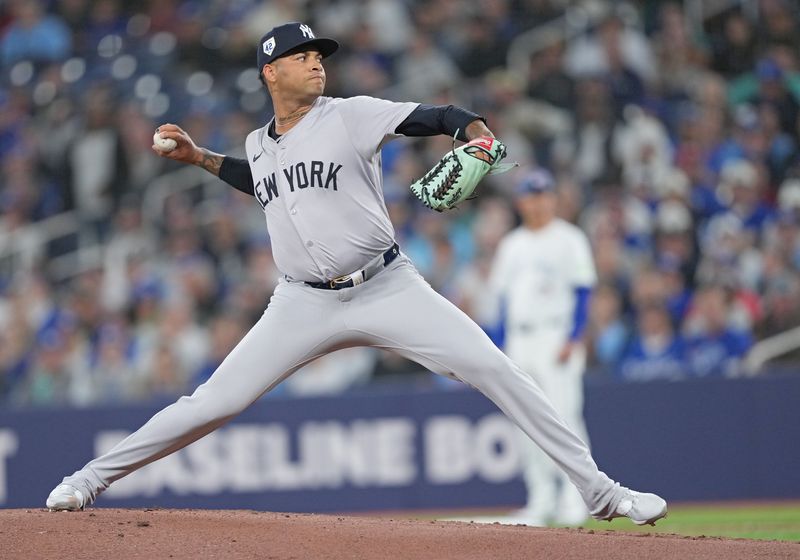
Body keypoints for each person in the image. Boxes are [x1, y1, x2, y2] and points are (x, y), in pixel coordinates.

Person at [46, 22, 667, 526]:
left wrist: (476, 136)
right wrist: (201, 158)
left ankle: (603, 494)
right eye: (300, 55)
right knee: (214, 401)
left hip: (387, 286)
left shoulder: (350, 114)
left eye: (319, 53)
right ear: (271, 72)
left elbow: (441, 114)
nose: (316, 62)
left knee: (496, 369)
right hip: (300, 304)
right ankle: (88, 479)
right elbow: (258, 181)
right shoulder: (259, 144)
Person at [488, 169, 596, 526]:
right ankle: (540, 499)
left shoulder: (569, 238)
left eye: (543, 194)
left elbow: (583, 291)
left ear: (553, 199)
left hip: (555, 337)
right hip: (520, 339)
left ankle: (576, 497)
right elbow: (502, 302)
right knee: (525, 422)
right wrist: (501, 346)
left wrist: (574, 336)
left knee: (566, 418)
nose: (537, 202)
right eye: (531, 196)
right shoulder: (512, 244)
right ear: (521, 202)